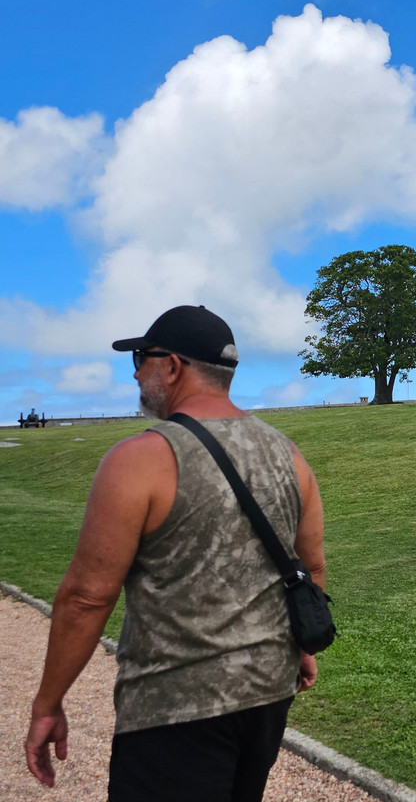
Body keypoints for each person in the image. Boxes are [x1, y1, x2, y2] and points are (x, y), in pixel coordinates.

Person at [25, 305, 327, 802]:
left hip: (175, 703)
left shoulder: (140, 458)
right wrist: (303, 649)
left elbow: (86, 597)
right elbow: (309, 566)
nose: (138, 373)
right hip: (268, 694)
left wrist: (47, 703)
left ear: (172, 366)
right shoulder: (288, 453)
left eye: (141, 359)